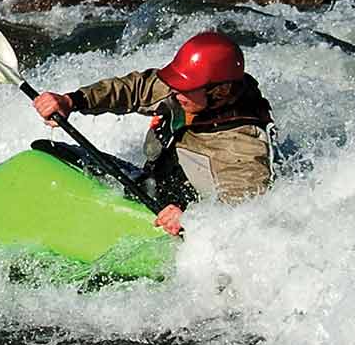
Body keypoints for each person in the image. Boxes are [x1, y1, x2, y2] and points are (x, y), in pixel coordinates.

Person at [31, 32, 274, 237]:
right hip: (156, 184)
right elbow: (133, 89)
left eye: (185, 88)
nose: (175, 91)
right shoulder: (188, 91)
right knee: (57, 152)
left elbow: (243, 216)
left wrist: (191, 220)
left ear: (220, 91)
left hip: (180, 216)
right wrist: (72, 100)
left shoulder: (243, 148)